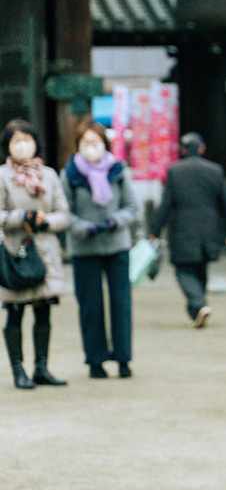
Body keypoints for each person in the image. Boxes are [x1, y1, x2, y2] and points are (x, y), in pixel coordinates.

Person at [61, 122, 140, 379]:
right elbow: (64, 212)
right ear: (77, 146)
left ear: (105, 144)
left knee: (121, 303)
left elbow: (132, 207)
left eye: (96, 142)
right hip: (85, 247)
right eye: (85, 143)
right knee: (90, 306)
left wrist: (115, 220)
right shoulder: (70, 174)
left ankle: (123, 358)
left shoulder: (118, 170)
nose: (91, 148)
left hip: (117, 244)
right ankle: (95, 360)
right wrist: (85, 227)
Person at [0, 119, 71, 389]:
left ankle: (42, 367)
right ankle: (18, 370)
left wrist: (45, 221)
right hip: (14, 252)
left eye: (26, 138)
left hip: (44, 251)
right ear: (7, 145)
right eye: (15, 140)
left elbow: (63, 213)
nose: (22, 144)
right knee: (15, 312)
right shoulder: (2, 176)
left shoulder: (49, 175)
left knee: (43, 312)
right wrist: (21, 217)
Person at [149, 133, 226, 328]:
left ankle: (198, 304)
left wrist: (155, 230)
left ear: (181, 150)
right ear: (202, 148)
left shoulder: (175, 171)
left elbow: (165, 205)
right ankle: (197, 311)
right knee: (200, 268)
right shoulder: (215, 170)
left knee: (183, 270)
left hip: (183, 226)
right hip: (209, 226)